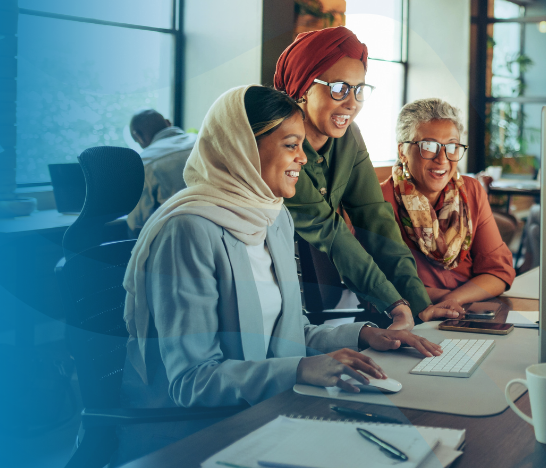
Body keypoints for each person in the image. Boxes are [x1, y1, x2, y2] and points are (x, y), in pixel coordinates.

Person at [116, 86, 451, 464]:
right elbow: (192, 381)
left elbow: (288, 332)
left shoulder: (272, 217)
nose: (303, 159)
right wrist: (303, 367)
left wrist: (362, 334)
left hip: (276, 413)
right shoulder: (190, 232)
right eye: (291, 145)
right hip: (208, 435)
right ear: (242, 148)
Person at [275, 26, 463, 330]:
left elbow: (376, 219)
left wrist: (419, 304)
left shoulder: (349, 136)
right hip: (266, 287)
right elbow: (329, 230)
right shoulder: (279, 144)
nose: (352, 103)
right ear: (302, 88)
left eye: (359, 90)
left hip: (314, 303)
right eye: (339, 88)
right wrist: (395, 304)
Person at [380, 98, 516, 306]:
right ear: (403, 152)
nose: (442, 159)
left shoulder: (471, 191)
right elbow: (381, 288)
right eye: (428, 146)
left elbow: (498, 272)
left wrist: (452, 301)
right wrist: (447, 303)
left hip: (466, 310)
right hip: (405, 321)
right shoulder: (379, 201)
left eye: (452, 147)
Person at [127, 109, 197, 236]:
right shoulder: (205, 141)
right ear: (168, 123)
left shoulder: (145, 163)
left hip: (177, 241)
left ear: (138, 136)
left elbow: (137, 223)